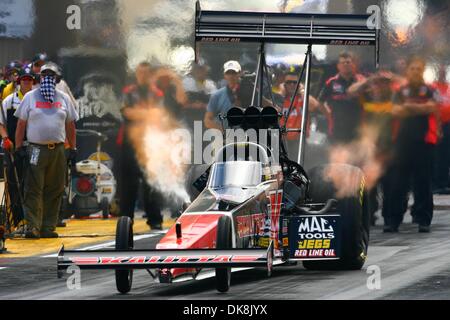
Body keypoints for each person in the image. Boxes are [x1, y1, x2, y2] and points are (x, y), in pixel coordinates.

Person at [14, 62, 79, 239]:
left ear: (57, 79)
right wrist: (18, 146)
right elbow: (21, 124)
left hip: (58, 149)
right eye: (44, 76)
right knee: (33, 188)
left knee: (56, 188)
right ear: (39, 78)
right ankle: (33, 227)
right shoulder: (30, 97)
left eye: (51, 76)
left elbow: (70, 124)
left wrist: (73, 148)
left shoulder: (63, 98)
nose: (48, 79)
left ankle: (48, 227)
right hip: (36, 149)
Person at [387, 56, 438, 233]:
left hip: (424, 142)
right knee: (398, 182)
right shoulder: (400, 90)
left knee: (423, 183)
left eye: (419, 69)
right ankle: (393, 220)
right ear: (407, 71)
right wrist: (418, 107)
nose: (416, 72)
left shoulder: (429, 90)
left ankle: (423, 220)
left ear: (423, 71)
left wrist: (409, 107)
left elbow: (433, 107)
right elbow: (394, 110)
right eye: (413, 69)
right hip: (402, 142)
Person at [118, 61, 164, 230]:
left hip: (150, 144)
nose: (143, 76)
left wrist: (139, 113)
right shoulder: (128, 92)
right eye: (140, 73)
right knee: (128, 185)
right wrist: (147, 114)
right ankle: (125, 220)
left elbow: (158, 115)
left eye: (146, 73)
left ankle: (155, 219)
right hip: (129, 144)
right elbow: (126, 112)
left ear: (150, 75)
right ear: (137, 74)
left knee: (151, 183)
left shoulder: (157, 93)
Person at [348, 72, 396, 226]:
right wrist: (368, 80)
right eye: (377, 83)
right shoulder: (364, 99)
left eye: (384, 83)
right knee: (369, 186)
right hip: (370, 149)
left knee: (390, 186)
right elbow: (351, 91)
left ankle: (390, 220)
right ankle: (369, 216)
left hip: (390, 149)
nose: (380, 87)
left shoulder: (395, 99)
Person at [0, 67, 37, 227]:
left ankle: (33, 218)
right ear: (19, 82)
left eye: (30, 80)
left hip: (34, 147)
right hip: (12, 147)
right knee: (14, 182)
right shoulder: (9, 101)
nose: (27, 83)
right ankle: (17, 218)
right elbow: (1, 123)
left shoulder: (37, 100)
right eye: (24, 80)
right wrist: (6, 138)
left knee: (33, 180)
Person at [318, 52, 365, 145]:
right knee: (338, 158)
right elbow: (320, 101)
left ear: (353, 65)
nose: (346, 65)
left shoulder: (362, 81)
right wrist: (328, 115)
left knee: (356, 158)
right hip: (337, 130)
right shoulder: (331, 82)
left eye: (348, 62)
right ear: (338, 66)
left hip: (357, 130)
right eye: (343, 63)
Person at [279, 71, 324, 159]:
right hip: (281, 141)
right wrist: (281, 93)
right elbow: (273, 107)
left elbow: (314, 106)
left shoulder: (302, 98)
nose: (292, 85)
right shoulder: (279, 98)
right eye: (288, 82)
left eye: (295, 82)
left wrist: (302, 91)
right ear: (284, 84)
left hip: (299, 141)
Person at [204, 60, 242, 131]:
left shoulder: (250, 92)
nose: (231, 76)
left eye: (234, 73)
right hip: (224, 139)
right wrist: (223, 131)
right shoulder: (217, 96)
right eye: (228, 73)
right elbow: (207, 121)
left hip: (248, 136)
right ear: (224, 75)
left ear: (240, 73)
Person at [183, 61, 217, 129]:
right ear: (193, 70)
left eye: (202, 69)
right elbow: (180, 103)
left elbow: (216, 105)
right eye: (197, 69)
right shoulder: (186, 83)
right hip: (188, 119)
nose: (200, 72)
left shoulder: (211, 85)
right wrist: (193, 105)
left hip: (205, 121)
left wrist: (202, 105)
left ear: (206, 70)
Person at [432, 65, 450, 194]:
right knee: (440, 155)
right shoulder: (433, 87)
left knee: (446, 155)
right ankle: (438, 184)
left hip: (448, 124)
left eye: (444, 72)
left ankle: (445, 181)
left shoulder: (448, 87)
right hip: (437, 125)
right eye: (440, 72)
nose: (442, 74)